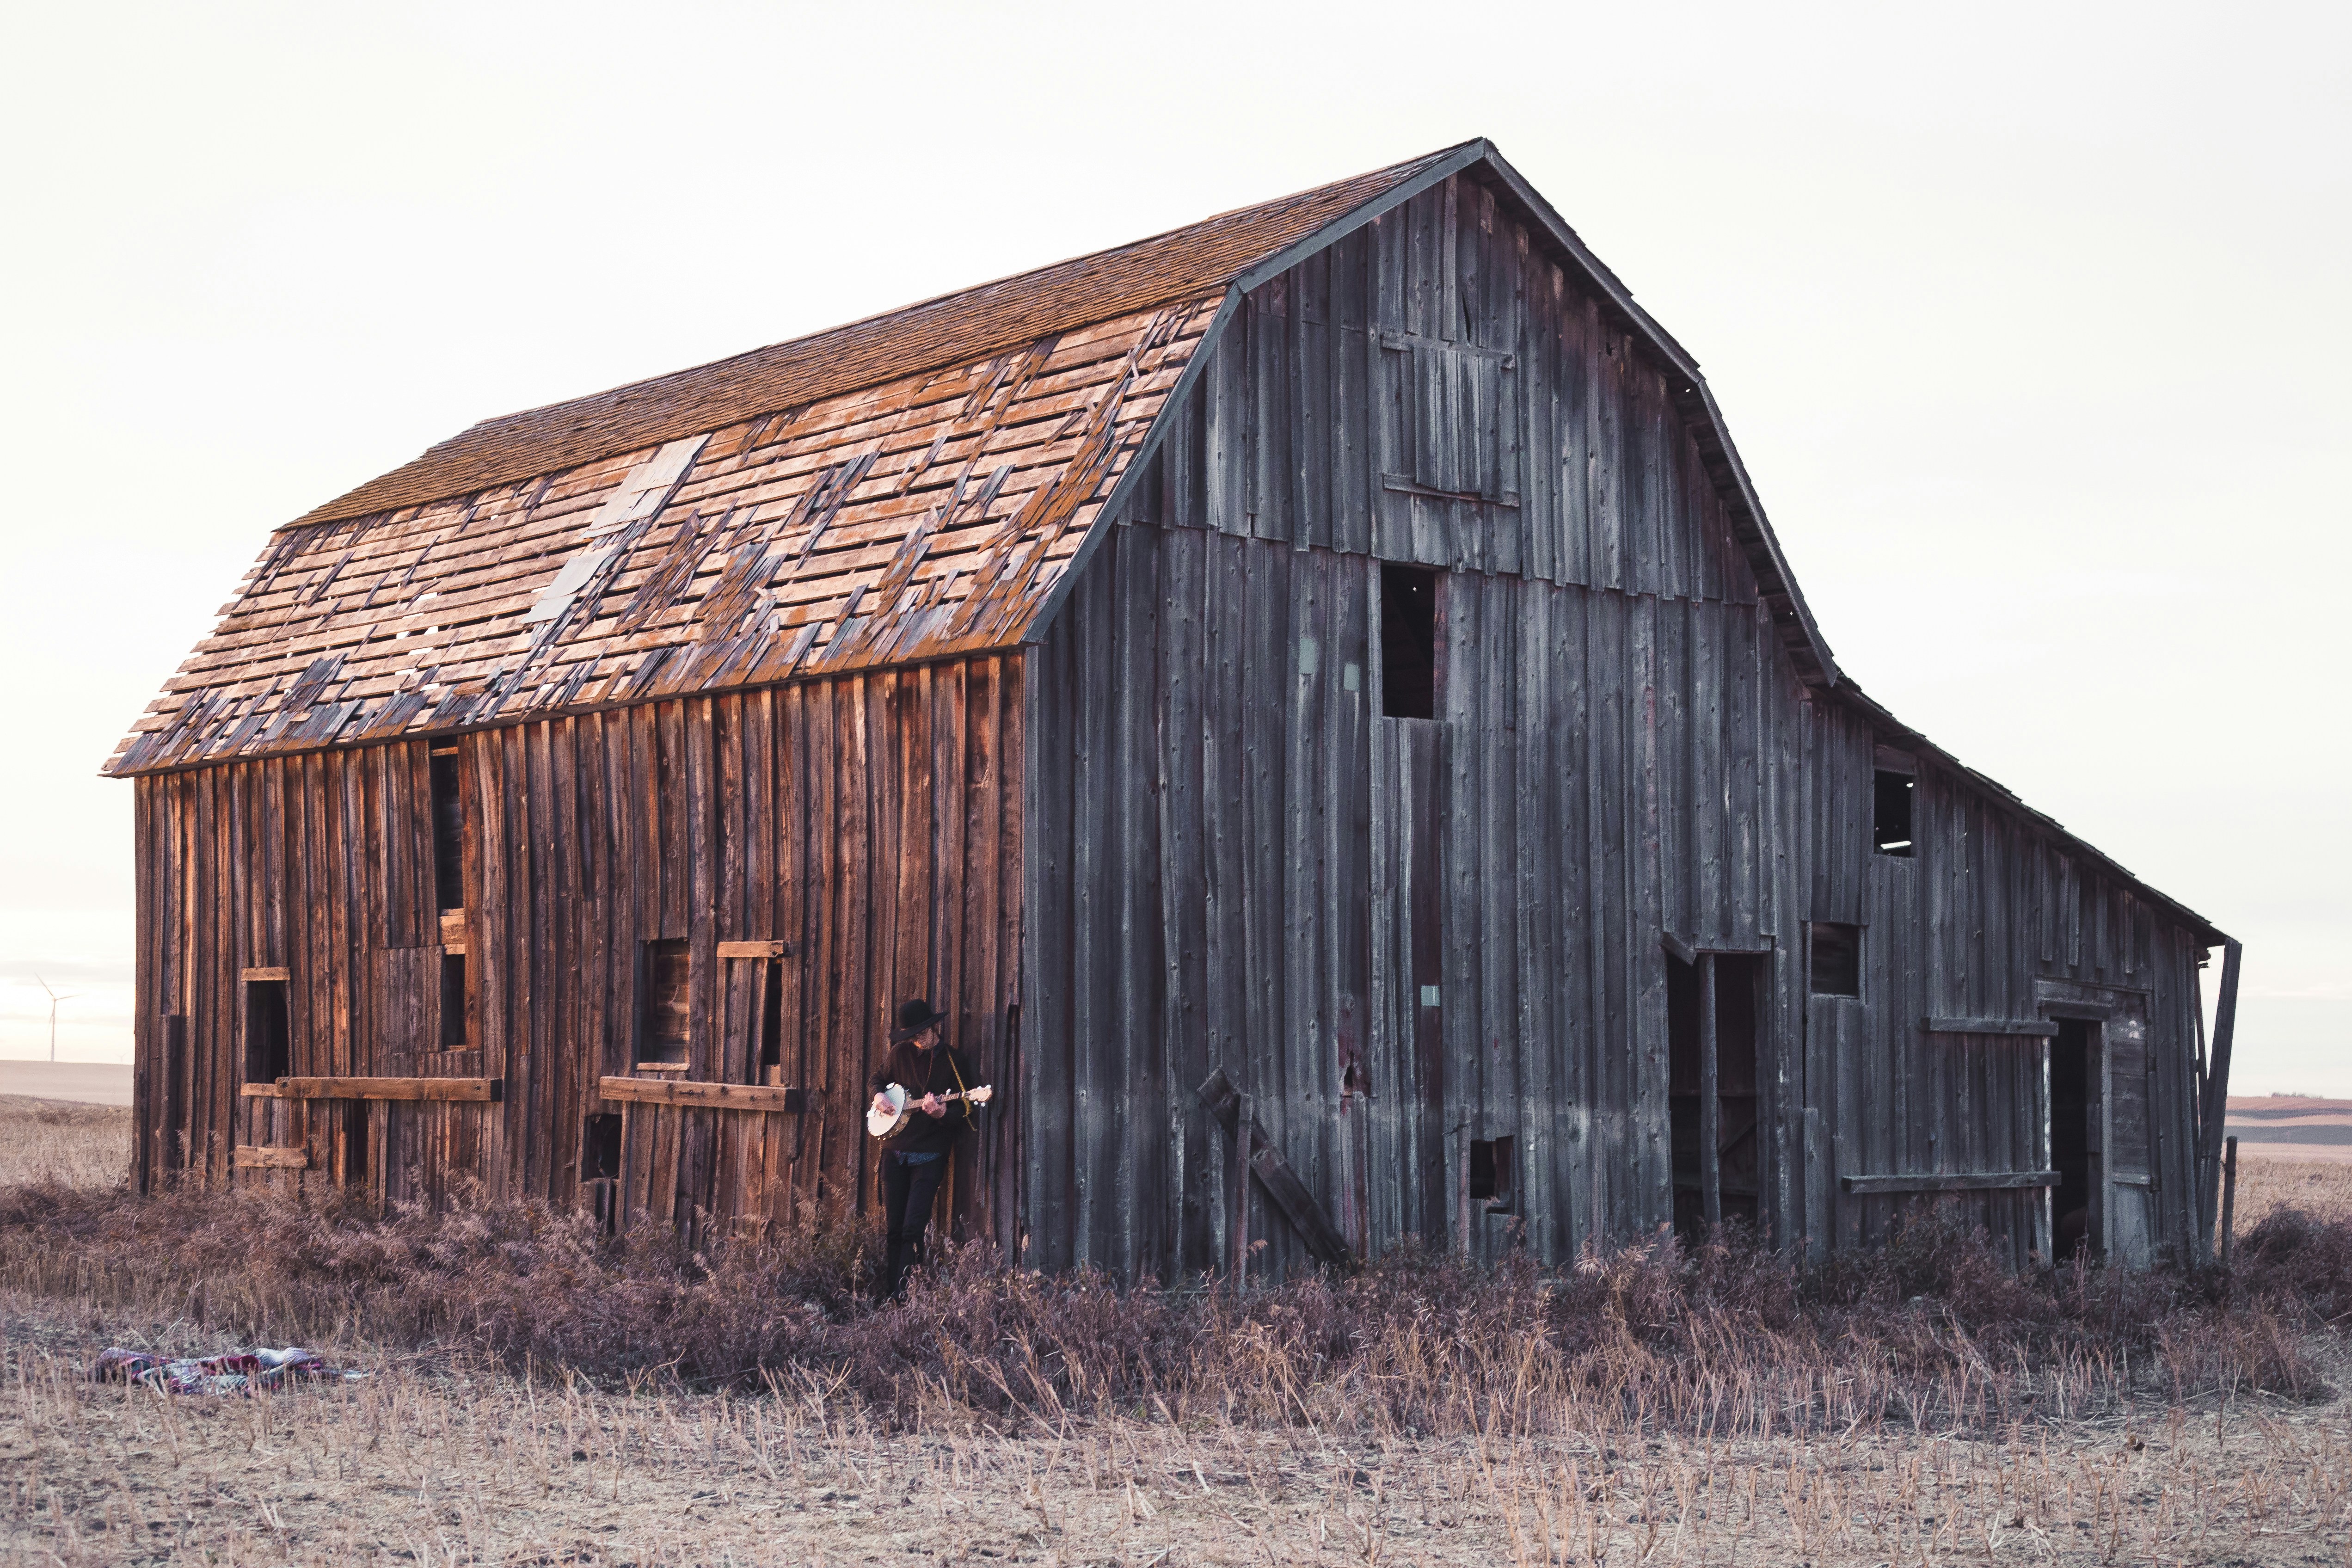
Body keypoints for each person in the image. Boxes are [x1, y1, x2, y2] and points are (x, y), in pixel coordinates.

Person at [868, 997, 985, 1302]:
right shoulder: (899, 1053)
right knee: (893, 1229)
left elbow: (967, 1110)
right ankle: (890, 1298)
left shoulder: (954, 1061)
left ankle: (907, 1299)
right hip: (893, 1152)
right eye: (911, 1035)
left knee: (912, 1228)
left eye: (921, 1033)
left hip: (929, 1155)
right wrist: (879, 1095)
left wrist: (941, 1114)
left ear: (935, 1027)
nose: (917, 1040)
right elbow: (876, 1078)